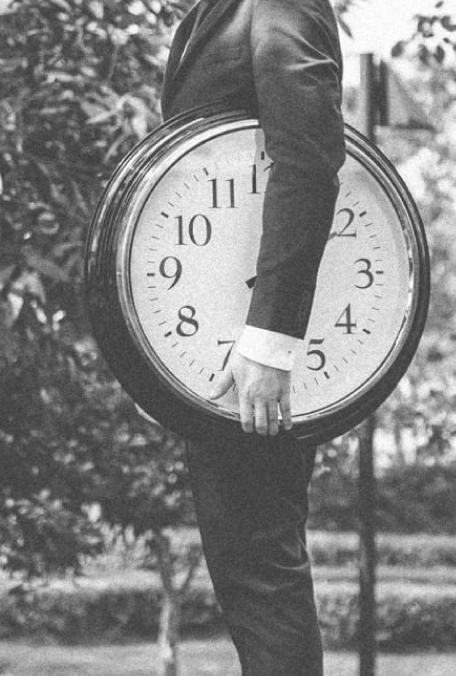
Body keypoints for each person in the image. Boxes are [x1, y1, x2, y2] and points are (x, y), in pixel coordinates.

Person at [160, 1, 345, 675]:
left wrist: (270, 341)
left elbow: (306, 160)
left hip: (254, 356)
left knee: (262, 576)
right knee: (250, 571)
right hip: (218, 345)